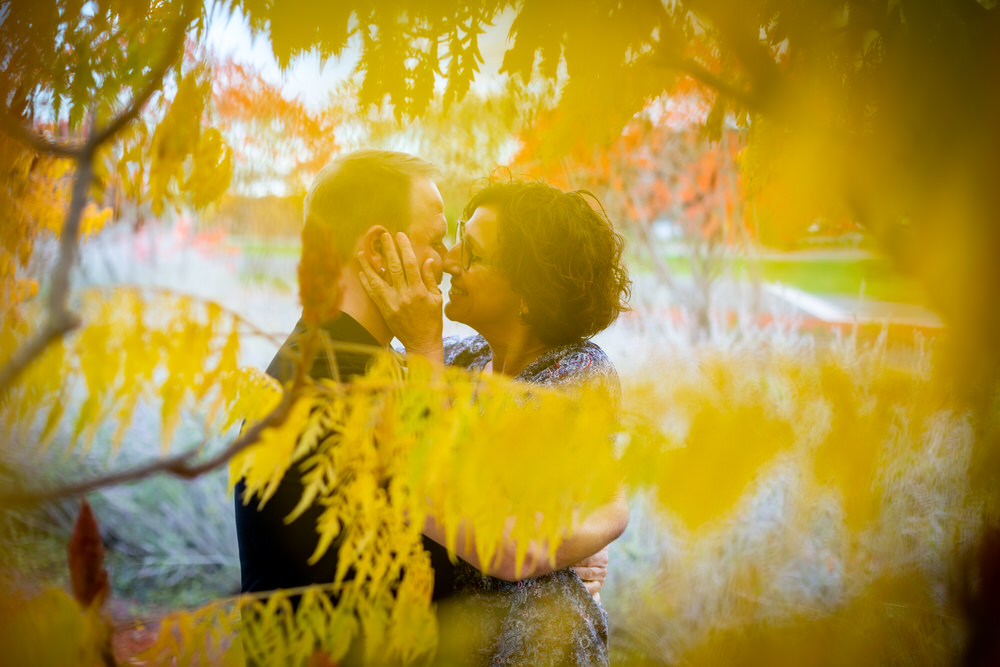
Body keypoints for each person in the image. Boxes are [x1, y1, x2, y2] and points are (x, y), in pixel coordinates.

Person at [233, 152, 614, 659]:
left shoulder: (370, 367)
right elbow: (493, 540)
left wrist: (585, 528)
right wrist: (595, 527)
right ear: (376, 248)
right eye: (437, 240)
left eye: (466, 250)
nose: (449, 259)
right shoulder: (341, 391)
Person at [359, 178, 632, 665]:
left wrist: (423, 348)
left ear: (528, 293)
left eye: (473, 253)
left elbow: (504, 543)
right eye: (457, 238)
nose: (448, 261)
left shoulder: (577, 375)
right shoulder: (466, 358)